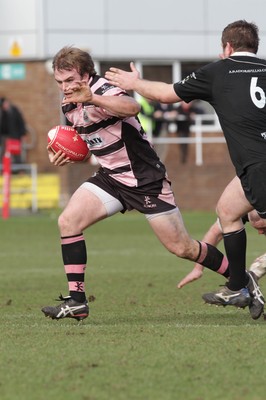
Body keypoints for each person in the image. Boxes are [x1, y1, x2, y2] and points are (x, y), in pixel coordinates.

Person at [41, 46, 233, 322]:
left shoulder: (104, 88)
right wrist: (69, 154)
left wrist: (93, 98)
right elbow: (95, 144)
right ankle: (77, 301)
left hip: (144, 178)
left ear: (86, 75)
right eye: (60, 82)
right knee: (68, 222)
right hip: (111, 177)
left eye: (70, 80)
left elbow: (132, 107)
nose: (65, 87)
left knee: (183, 248)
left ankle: (240, 278)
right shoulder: (68, 104)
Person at [105, 20, 266, 317]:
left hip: (258, 165)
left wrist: (133, 84)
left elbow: (166, 93)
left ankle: (241, 286)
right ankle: (238, 286)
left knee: (235, 215)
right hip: (253, 166)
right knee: (228, 210)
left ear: (227, 47)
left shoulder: (219, 70)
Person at [0, 97, 27, 163]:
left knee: (17, 153)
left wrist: (23, 134)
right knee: (5, 153)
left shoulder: (15, 111)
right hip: (6, 137)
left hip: (15, 136)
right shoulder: (3, 114)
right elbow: (2, 127)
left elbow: (21, 122)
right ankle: (5, 169)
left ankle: (20, 170)